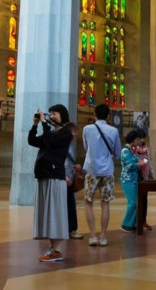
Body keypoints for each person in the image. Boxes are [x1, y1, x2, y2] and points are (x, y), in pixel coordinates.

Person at [29, 103, 74, 262]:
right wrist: (35, 125)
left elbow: (51, 140)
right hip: (44, 175)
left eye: (55, 113)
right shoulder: (52, 133)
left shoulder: (66, 133)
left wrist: (43, 123)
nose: (51, 116)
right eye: (50, 113)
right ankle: (52, 248)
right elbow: (32, 141)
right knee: (47, 214)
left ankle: (57, 250)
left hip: (55, 177)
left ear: (63, 116)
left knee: (55, 213)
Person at [82, 103, 120, 246]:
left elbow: (87, 147)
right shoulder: (113, 131)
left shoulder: (87, 129)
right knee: (105, 204)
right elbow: (116, 153)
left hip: (92, 169)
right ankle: (103, 236)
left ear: (94, 115)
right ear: (108, 116)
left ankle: (92, 235)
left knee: (88, 202)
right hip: (107, 171)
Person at [119, 128, 144, 232]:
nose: (139, 142)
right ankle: (126, 224)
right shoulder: (125, 151)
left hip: (134, 180)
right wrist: (139, 164)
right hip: (127, 180)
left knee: (134, 202)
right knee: (133, 202)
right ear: (133, 140)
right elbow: (129, 165)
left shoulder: (132, 151)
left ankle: (131, 223)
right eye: (137, 139)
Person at [65, 123, 84, 239]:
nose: (74, 137)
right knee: (67, 206)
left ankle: (72, 229)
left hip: (70, 179)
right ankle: (66, 229)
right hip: (64, 179)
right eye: (73, 134)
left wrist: (77, 167)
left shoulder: (71, 146)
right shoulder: (61, 145)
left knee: (71, 206)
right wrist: (64, 176)